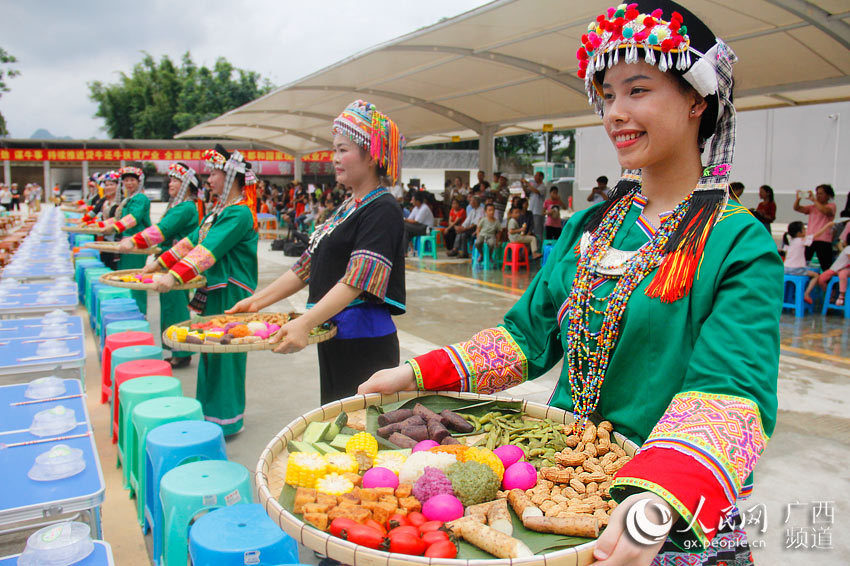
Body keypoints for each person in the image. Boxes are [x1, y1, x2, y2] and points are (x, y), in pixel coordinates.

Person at [359, 3, 782, 565]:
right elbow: (525, 339)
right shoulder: (594, 226)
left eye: (638, 90)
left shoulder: (737, 242)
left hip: (664, 507)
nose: (615, 114)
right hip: (561, 482)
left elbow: (731, 390)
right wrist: (415, 372)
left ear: (697, 100)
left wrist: (650, 507)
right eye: (607, 95)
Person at [228, 100, 405, 405]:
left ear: (372, 155)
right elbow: (305, 266)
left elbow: (358, 280)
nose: (334, 158)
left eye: (343, 149)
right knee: (337, 418)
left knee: (358, 429)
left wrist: (305, 322)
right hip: (334, 333)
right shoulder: (347, 207)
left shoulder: (383, 208)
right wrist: (256, 301)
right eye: (334, 149)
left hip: (364, 341)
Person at [149, 146, 258, 435]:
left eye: (214, 173)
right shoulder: (217, 213)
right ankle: (209, 415)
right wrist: (160, 263)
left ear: (232, 176)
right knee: (209, 350)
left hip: (232, 294)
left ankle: (227, 419)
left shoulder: (239, 214)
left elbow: (208, 250)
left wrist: (173, 277)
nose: (208, 180)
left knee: (226, 353)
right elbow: (190, 242)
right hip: (215, 291)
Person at [119, 162, 204, 369]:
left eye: (177, 180)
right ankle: (176, 349)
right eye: (171, 179)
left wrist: (134, 240)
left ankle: (181, 351)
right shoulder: (179, 206)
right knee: (169, 305)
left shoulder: (185, 208)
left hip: (176, 263)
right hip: (168, 260)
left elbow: (162, 230)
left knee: (175, 307)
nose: (171, 184)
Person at [104, 167, 152, 314]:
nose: (129, 183)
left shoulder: (141, 198)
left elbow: (134, 218)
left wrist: (113, 228)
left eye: (132, 180)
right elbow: (119, 218)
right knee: (126, 277)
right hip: (125, 244)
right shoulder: (128, 199)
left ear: (139, 182)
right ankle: (128, 310)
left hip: (136, 244)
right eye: (126, 180)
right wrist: (102, 225)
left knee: (134, 280)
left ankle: (139, 312)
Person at [793, 184, 836, 269]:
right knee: (805, 262)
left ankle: (826, 281)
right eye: (817, 193)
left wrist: (814, 200)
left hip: (824, 240)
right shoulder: (813, 207)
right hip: (810, 239)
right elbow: (796, 208)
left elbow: (825, 211)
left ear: (828, 195)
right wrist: (798, 199)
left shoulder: (831, 206)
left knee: (826, 265)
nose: (818, 196)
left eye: (821, 193)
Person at [815, 232, 850, 306]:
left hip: (845, 269)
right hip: (835, 269)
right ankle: (830, 293)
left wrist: (840, 247)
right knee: (821, 278)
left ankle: (841, 296)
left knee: (842, 274)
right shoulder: (847, 248)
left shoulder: (848, 249)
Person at [525, 171, 546, 241]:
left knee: (538, 230)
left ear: (541, 177)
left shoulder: (543, 187)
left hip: (538, 212)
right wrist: (524, 185)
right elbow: (527, 193)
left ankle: (539, 246)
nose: (535, 177)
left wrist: (527, 184)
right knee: (531, 229)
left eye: (537, 176)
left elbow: (536, 191)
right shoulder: (533, 186)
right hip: (531, 210)